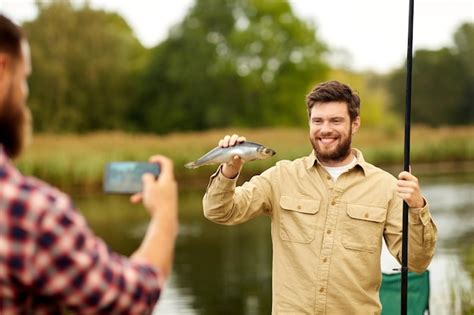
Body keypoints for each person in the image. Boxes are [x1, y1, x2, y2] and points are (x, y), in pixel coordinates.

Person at [202, 80, 437, 314]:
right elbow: (220, 212)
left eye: (336, 120)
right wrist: (229, 170)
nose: (325, 129)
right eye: (318, 121)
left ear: (355, 124)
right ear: (309, 123)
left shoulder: (385, 186)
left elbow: (416, 261)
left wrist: (417, 207)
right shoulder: (281, 176)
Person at [0, 14, 178, 314]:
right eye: (24, 78)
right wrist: (165, 217)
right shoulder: (30, 212)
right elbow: (132, 298)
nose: (24, 92)